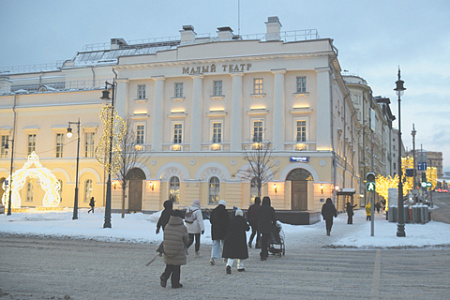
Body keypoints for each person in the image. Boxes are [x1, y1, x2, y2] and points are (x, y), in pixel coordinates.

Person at [160, 210, 189, 289]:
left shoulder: (167, 226)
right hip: (177, 250)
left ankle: (164, 276)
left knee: (169, 265)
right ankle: (175, 283)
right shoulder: (183, 228)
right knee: (176, 267)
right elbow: (186, 240)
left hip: (168, 249)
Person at [222, 208, 250, 274]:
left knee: (231, 254)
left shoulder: (231, 220)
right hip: (240, 239)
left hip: (231, 238)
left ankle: (229, 265)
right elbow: (247, 228)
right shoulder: (242, 220)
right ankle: (240, 267)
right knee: (241, 254)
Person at [209, 199, 229, 265]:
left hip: (215, 230)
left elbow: (211, 220)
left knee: (215, 244)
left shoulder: (214, 211)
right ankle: (225, 257)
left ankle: (212, 257)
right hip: (224, 230)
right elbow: (228, 221)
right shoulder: (225, 212)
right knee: (224, 244)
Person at [257, 196, 276, 261]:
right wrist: (273, 224)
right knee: (266, 239)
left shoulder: (260, 208)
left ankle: (264, 252)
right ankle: (264, 253)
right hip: (268, 226)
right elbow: (274, 218)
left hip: (261, 226)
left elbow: (257, 217)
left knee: (263, 240)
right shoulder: (270, 209)